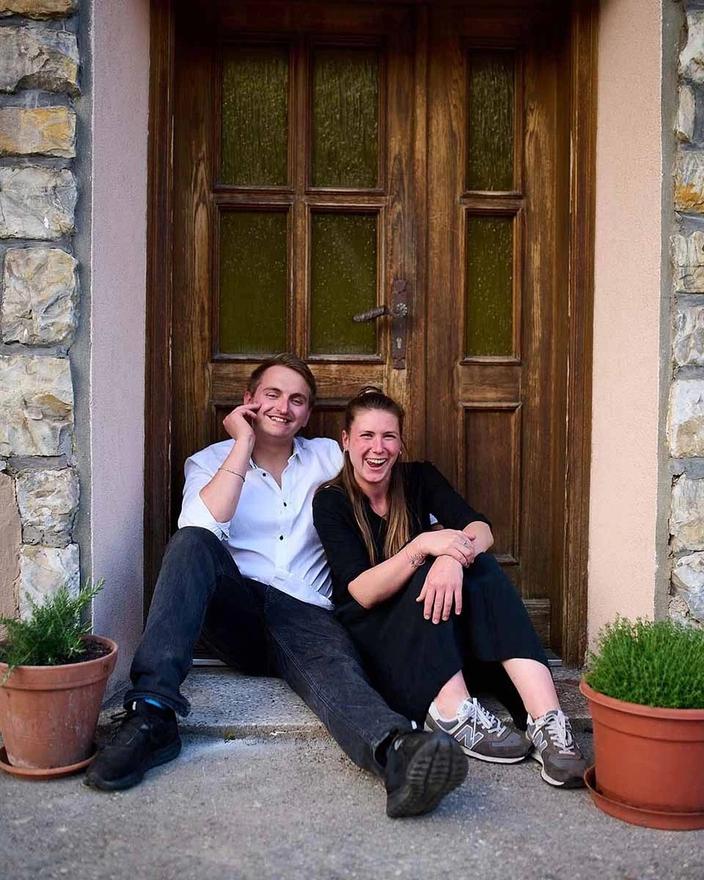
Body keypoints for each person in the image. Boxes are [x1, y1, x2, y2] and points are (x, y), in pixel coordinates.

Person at [86, 355, 468, 818]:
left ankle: (399, 752)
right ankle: (151, 715)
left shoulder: (330, 456)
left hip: (309, 615)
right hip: (238, 612)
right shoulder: (209, 462)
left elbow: (399, 486)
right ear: (249, 400)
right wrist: (243, 443)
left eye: (297, 400)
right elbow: (201, 528)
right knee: (191, 542)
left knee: (335, 668)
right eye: (272, 395)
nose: (283, 408)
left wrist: (447, 551)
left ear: (307, 415)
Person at [312, 387, 587, 789]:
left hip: (433, 625)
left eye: (388, 436)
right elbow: (364, 592)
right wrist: (423, 546)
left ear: (400, 443)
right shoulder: (330, 501)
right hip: (376, 633)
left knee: (483, 568)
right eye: (366, 436)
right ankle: (451, 710)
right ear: (346, 441)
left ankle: (547, 722)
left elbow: (480, 529)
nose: (378, 448)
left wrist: (451, 558)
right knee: (423, 570)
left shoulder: (418, 478)